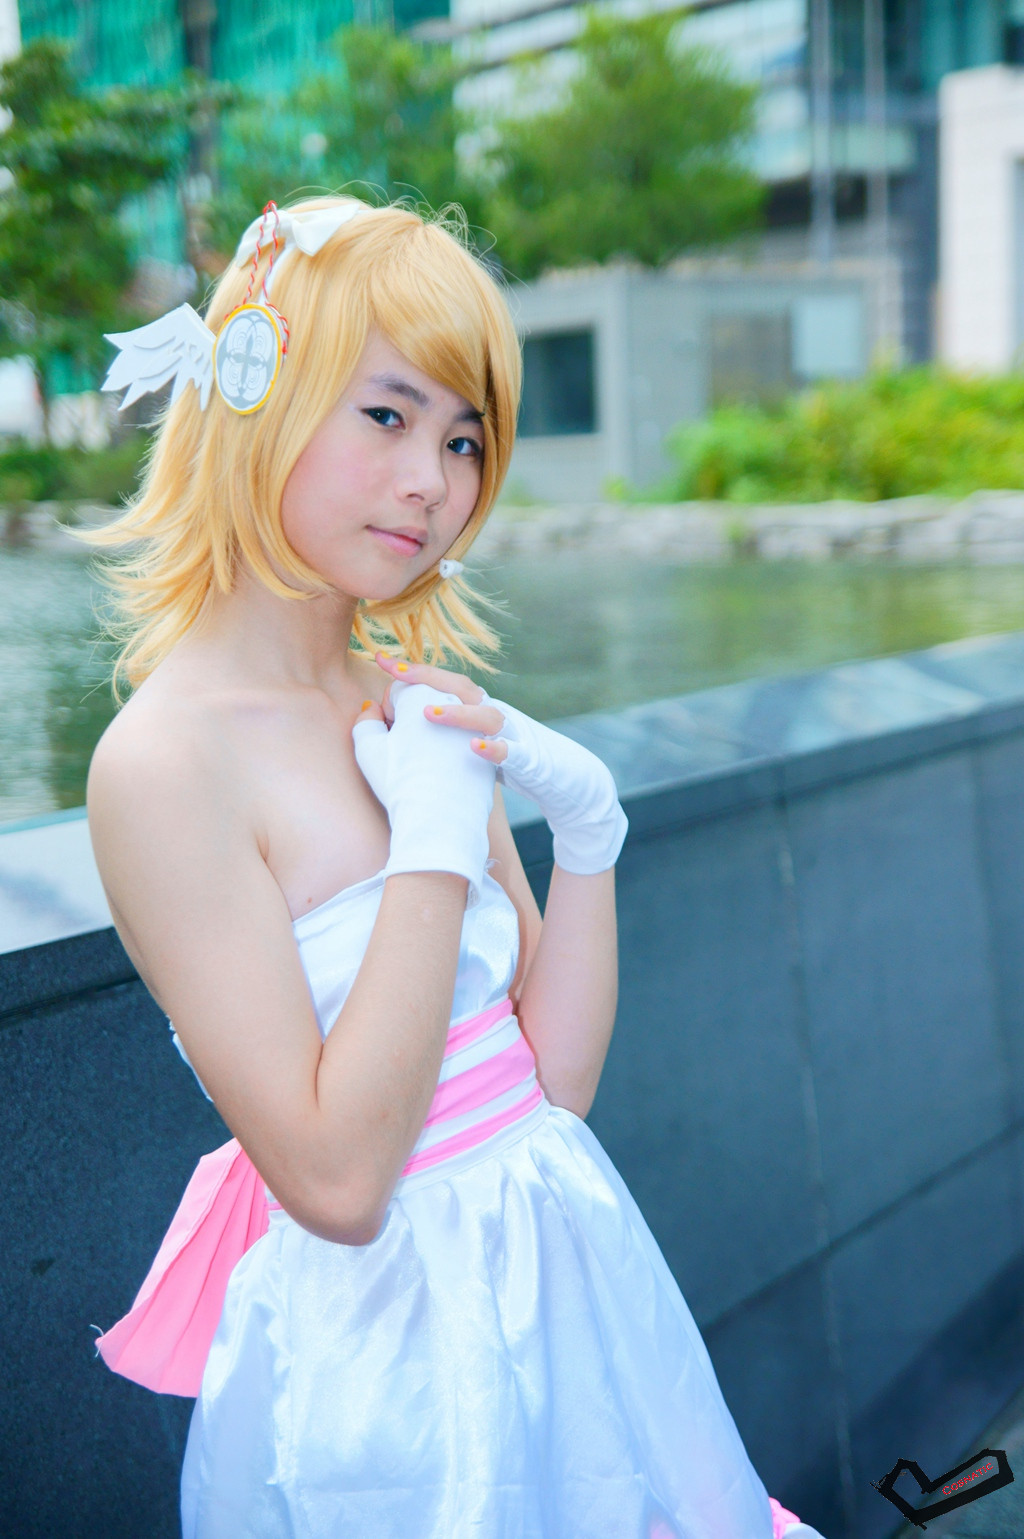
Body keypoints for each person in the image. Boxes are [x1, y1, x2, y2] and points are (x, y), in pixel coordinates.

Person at [85, 195, 823, 1539]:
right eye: (387, 415)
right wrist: (434, 841)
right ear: (253, 396)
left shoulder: (410, 703)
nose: (432, 479)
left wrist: (590, 837)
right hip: (388, 1374)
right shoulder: (166, 764)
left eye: (464, 438)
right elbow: (336, 1183)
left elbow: (553, 1085)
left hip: (567, 1288)